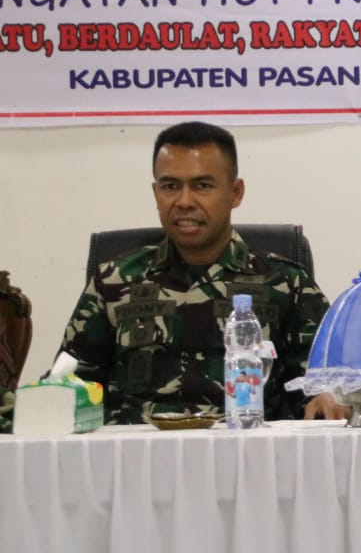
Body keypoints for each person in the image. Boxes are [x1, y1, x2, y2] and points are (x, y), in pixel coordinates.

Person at [55, 121, 344, 424]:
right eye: (170, 186)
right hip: (134, 449)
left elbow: (322, 383)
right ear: (155, 193)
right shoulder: (113, 281)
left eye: (202, 186)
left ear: (235, 193)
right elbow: (68, 385)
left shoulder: (286, 282)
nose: (184, 202)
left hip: (247, 446)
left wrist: (327, 396)